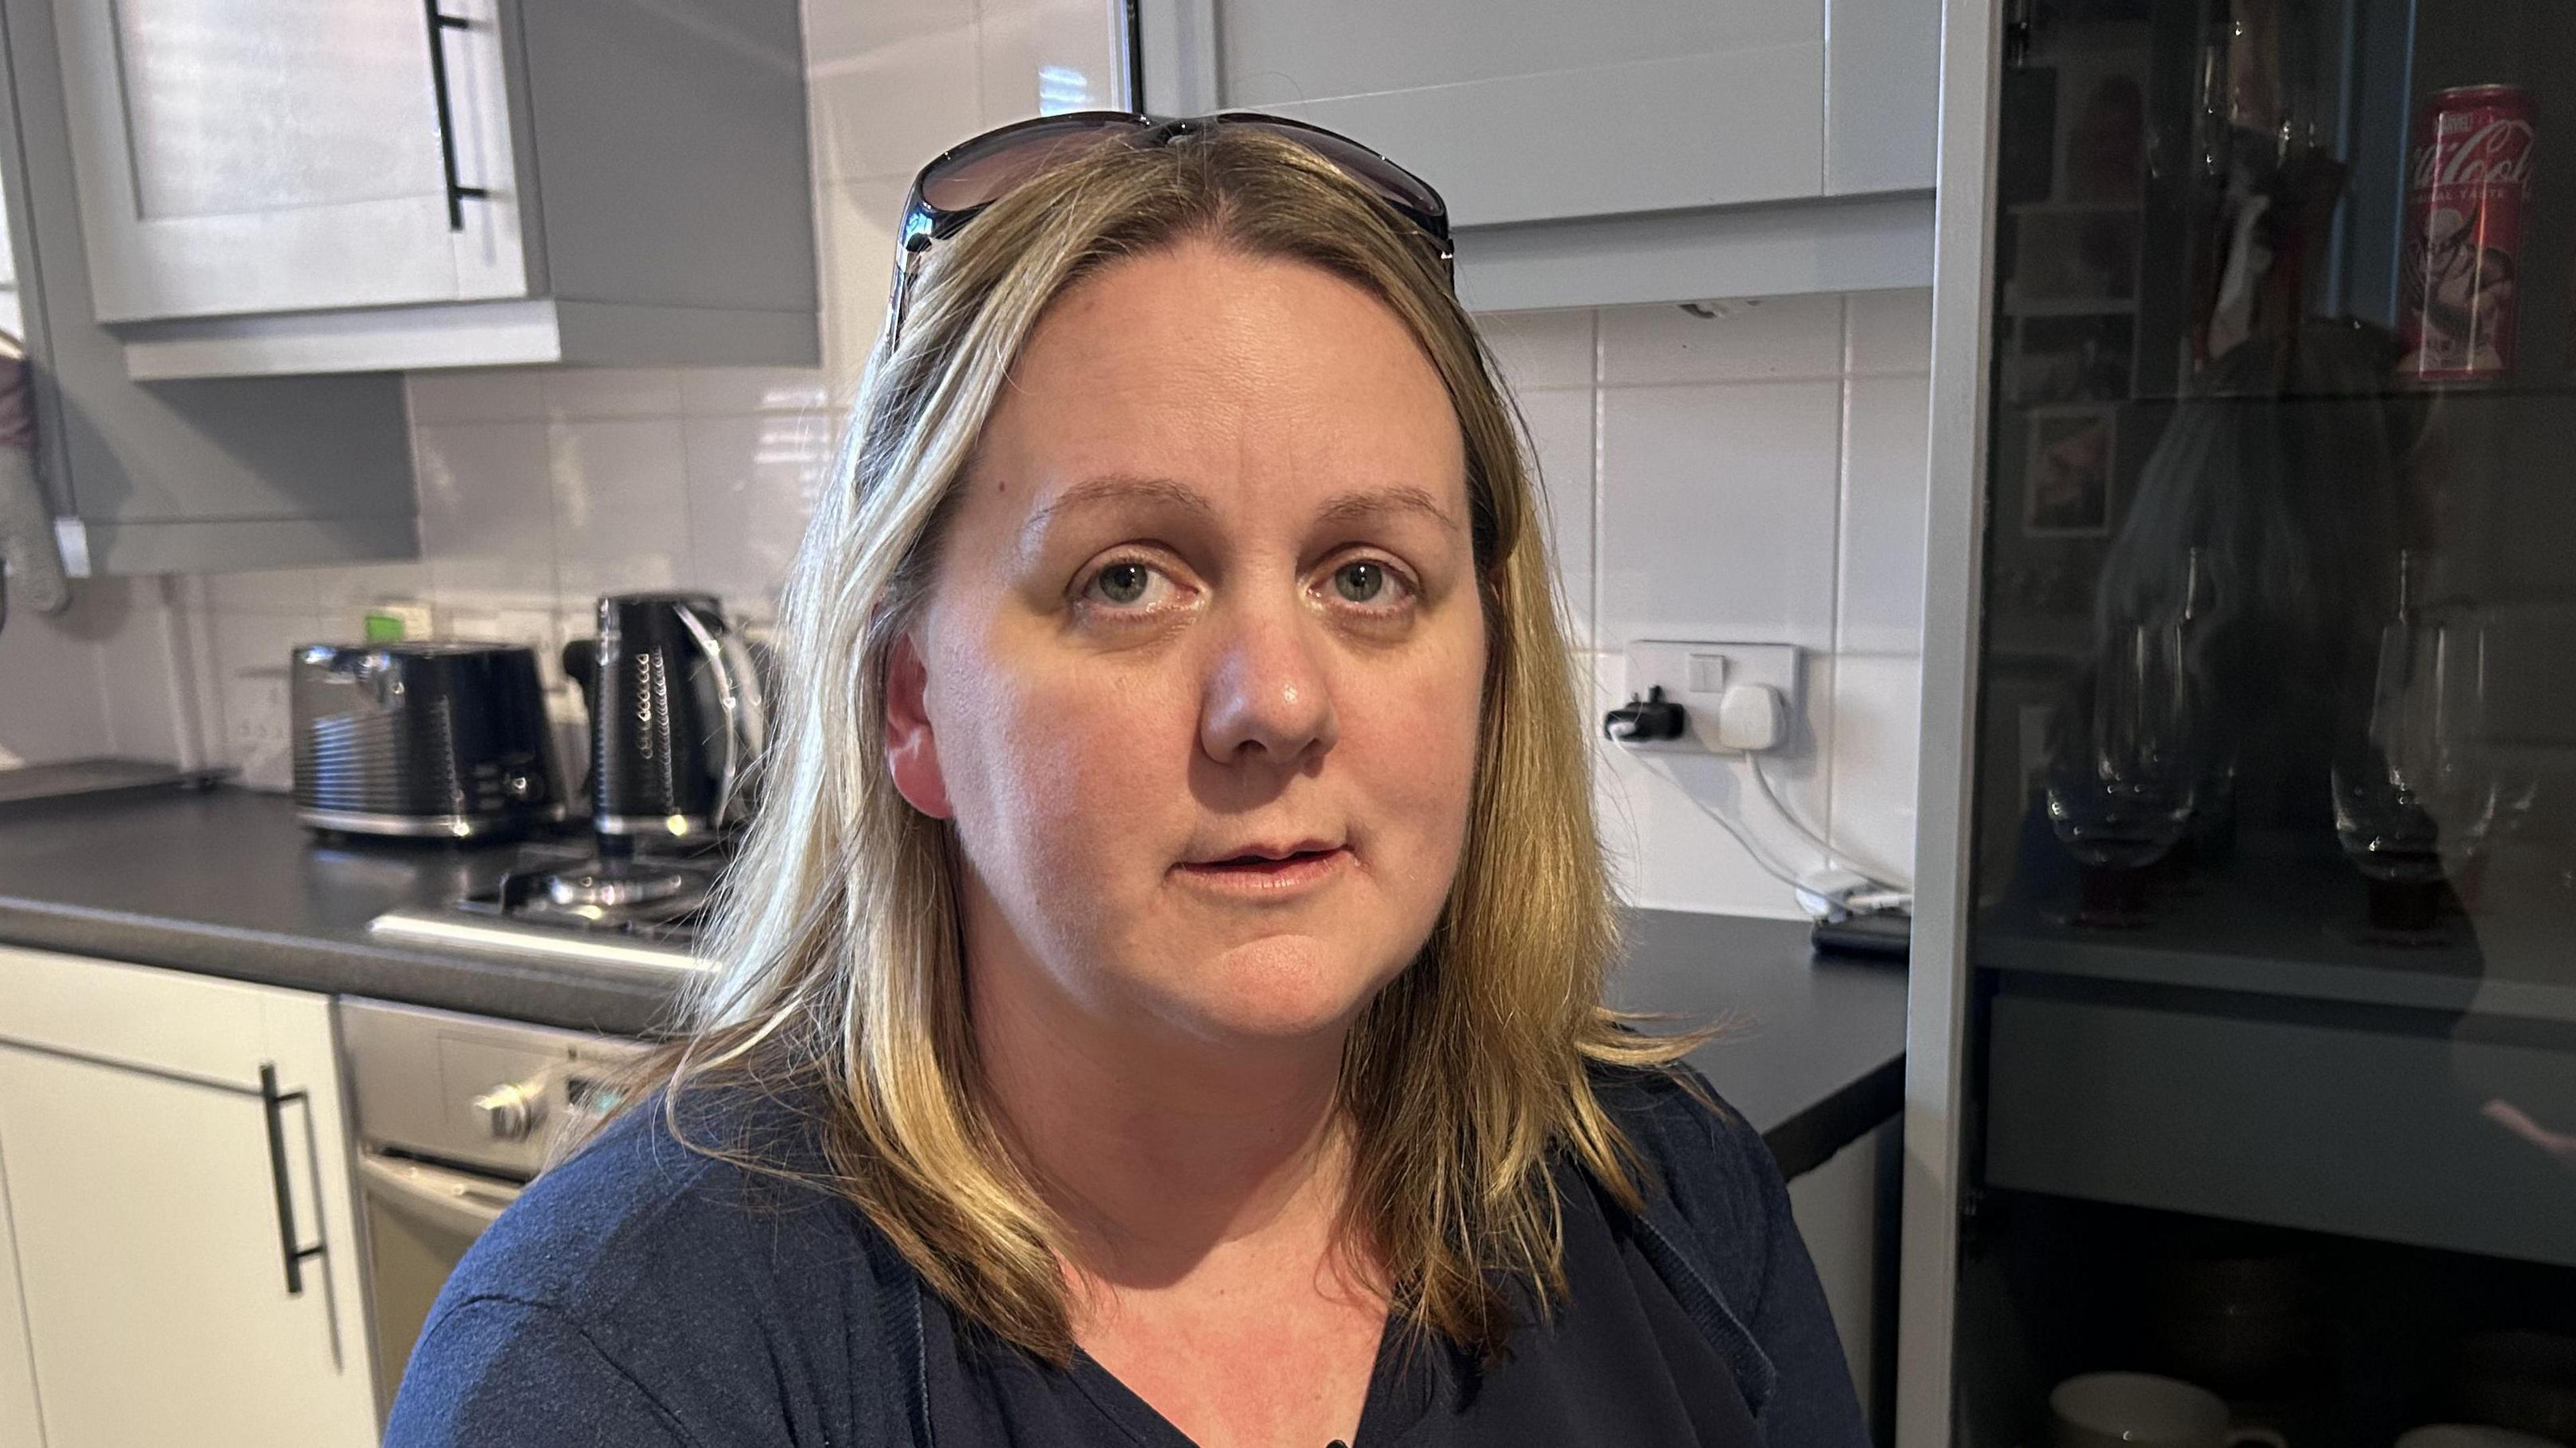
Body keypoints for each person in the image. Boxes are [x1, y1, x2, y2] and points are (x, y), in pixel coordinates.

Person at [386, 113, 1867, 1448]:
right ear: (910, 702)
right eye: (1128, 579)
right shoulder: (618, 1374)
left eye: (1368, 574)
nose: (1276, 703)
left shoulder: (1668, 1197)